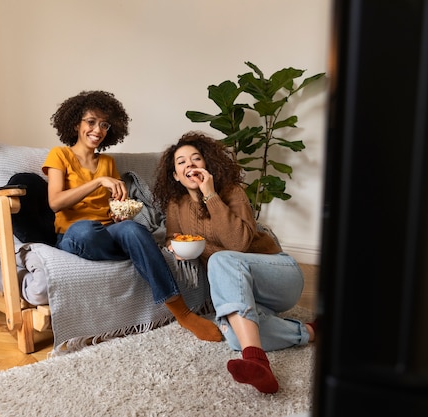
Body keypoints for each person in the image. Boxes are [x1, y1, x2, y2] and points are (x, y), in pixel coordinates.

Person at [42, 91, 221, 342]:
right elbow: (55, 202)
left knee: (134, 230)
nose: (98, 129)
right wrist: (98, 182)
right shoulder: (59, 155)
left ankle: (183, 313)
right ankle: (141, 251)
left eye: (104, 124)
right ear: (75, 124)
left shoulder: (107, 162)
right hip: (74, 235)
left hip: (107, 232)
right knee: (86, 230)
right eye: (91, 122)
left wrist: (120, 212)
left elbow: (112, 208)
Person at [153, 131, 315, 394]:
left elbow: (238, 243)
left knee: (220, 258)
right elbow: (173, 237)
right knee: (233, 334)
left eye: (196, 158)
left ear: (207, 166)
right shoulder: (177, 204)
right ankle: (307, 331)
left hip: (277, 274)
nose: (189, 165)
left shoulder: (231, 192)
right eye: (181, 162)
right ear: (175, 175)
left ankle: (255, 359)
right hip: (243, 289)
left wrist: (210, 195)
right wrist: (175, 247)